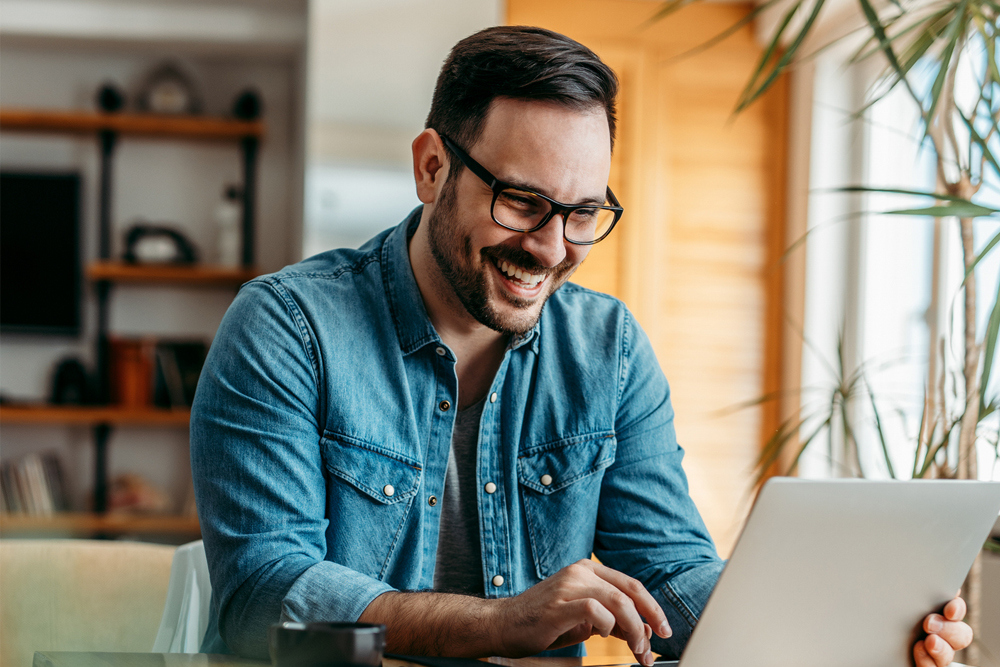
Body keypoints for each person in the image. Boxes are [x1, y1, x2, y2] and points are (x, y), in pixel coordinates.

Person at [190, 25, 972, 667]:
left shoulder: (611, 350)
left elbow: (669, 572)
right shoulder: (286, 328)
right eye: (523, 201)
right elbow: (266, 593)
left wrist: (842, 635)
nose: (552, 247)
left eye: (584, 213)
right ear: (433, 168)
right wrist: (503, 621)